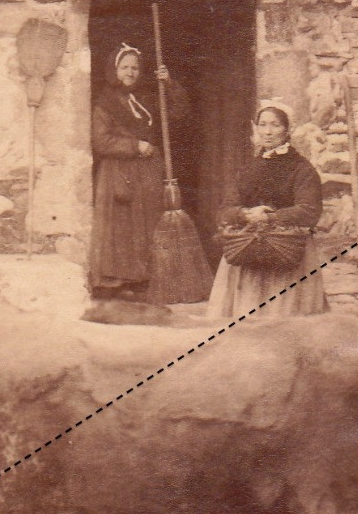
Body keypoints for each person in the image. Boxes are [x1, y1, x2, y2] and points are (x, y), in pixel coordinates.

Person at [204, 100, 327, 318]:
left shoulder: (302, 169)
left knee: (286, 321)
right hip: (248, 251)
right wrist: (245, 214)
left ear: (288, 130)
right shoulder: (248, 169)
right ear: (256, 128)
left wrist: (271, 216)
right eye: (263, 125)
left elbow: (309, 211)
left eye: (275, 125)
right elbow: (225, 210)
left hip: (288, 250)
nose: (268, 132)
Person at [89, 43, 185, 301]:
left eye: (134, 67)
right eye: (124, 67)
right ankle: (115, 281)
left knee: (146, 223)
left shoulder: (147, 98)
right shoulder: (105, 103)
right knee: (120, 226)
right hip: (118, 171)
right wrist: (134, 145)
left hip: (147, 171)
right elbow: (101, 141)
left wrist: (169, 85)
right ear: (114, 70)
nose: (130, 72)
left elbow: (177, 113)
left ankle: (141, 279)